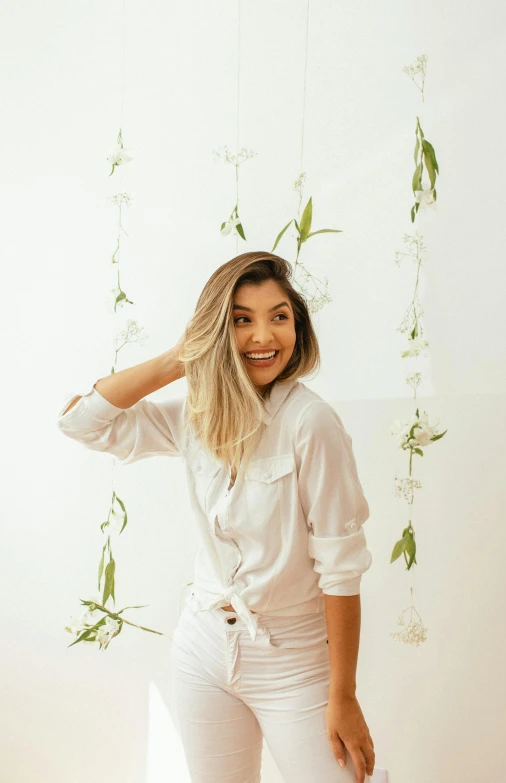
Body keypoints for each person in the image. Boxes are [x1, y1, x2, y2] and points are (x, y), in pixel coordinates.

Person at [57, 251, 376, 783]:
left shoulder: (311, 423)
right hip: (203, 648)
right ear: (215, 331)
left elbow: (341, 567)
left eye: (279, 316)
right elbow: (82, 424)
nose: (263, 336)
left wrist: (342, 694)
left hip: (293, 660)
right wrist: (178, 359)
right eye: (241, 320)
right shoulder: (198, 414)